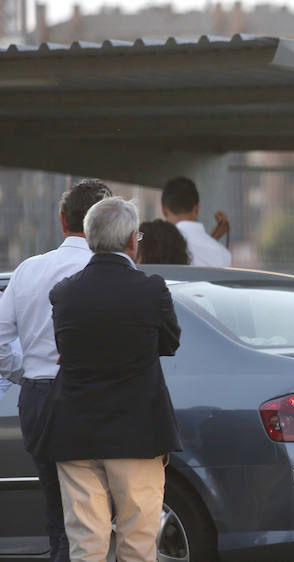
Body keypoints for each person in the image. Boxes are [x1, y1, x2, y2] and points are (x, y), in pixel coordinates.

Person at [33, 197, 182, 562]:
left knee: (86, 543)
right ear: (133, 240)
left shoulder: (64, 292)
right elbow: (170, 342)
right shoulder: (151, 290)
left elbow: (64, 349)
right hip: (138, 434)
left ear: (88, 237)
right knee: (137, 539)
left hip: (74, 433)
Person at [0, 178, 111, 562]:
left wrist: (25, 373)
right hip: (93, 397)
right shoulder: (112, 273)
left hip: (37, 399)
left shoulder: (28, 270)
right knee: (95, 510)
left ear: (63, 221)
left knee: (57, 506)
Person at [161, 176, 231, 267]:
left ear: (164, 210)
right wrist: (212, 239)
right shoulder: (223, 254)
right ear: (197, 207)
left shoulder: (158, 247)